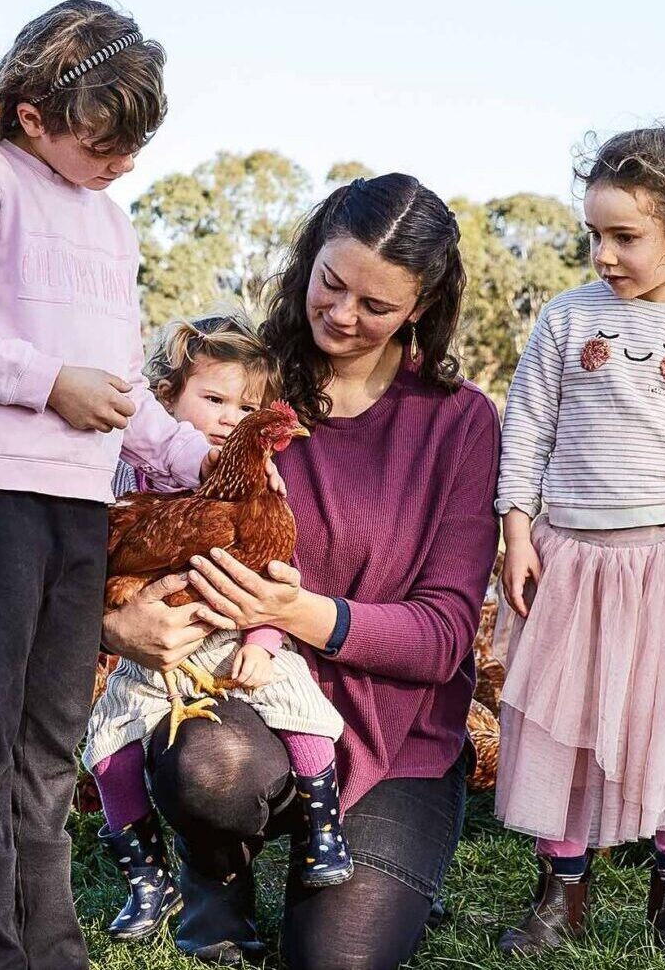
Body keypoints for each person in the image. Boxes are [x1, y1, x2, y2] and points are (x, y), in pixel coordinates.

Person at [0, 0, 215, 970]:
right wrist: (47, 383)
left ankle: (47, 949)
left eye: (136, 145)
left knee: (46, 747)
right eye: (104, 143)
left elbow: (119, 390)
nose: (123, 164)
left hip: (79, 505)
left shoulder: (110, 225)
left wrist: (200, 461)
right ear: (34, 116)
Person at [103, 173, 500, 969]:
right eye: (332, 283)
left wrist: (292, 611)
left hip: (395, 733)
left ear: (420, 306)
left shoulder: (458, 423)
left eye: (376, 305)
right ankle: (216, 870)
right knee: (211, 766)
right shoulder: (243, 387)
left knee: (333, 961)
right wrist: (112, 623)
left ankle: (374, 854)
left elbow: (445, 635)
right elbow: (123, 513)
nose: (344, 315)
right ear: (310, 257)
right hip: (241, 695)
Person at [492, 124, 665, 953]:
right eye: (594, 234)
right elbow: (526, 430)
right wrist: (517, 531)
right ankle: (561, 891)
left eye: (625, 237)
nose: (604, 255)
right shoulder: (565, 319)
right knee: (563, 722)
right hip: (572, 559)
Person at [87, 313, 350, 945]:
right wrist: (111, 627)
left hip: (234, 643)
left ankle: (323, 830)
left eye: (247, 408)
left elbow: (278, 583)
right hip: (149, 653)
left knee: (302, 708)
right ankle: (148, 879)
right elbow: (95, 574)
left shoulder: (265, 494)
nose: (231, 418)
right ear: (163, 400)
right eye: (214, 400)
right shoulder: (124, 476)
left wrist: (263, 641)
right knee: (107, 742)